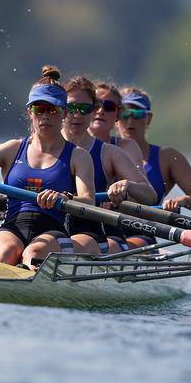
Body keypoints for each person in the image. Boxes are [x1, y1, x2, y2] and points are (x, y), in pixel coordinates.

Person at [0, 66, 97, 267]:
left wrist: (64, 198)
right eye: (39, 109)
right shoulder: (12, 149)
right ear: (29, 112)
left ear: (64, 113)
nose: (45, 116)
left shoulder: (78, 156)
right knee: (6, 252)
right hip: (11, 228)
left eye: (52, 109)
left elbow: (89, 202)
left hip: (52, 232)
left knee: (34, 253)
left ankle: (27, 270)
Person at [60, 75, 156, 255]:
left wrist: (126, 187)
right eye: (73, 107)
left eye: (109, 107)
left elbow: (149, 195)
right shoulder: (41, 145)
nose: (101, 111)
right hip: (53, 227)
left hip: (102, 227)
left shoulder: (115, 151)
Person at [115, 86, 191, 212]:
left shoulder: (167, 158)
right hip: (108, 228)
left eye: (138, 114)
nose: (130, 121)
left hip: (146, 228)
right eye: (125, 114)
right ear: (116, 118)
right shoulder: (105, 150)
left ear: (148, 119)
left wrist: (183, 201)